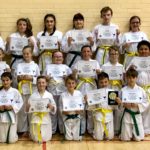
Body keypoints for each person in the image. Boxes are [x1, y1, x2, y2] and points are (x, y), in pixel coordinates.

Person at [72, 45, 101, 134]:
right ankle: (81, 129)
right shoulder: (77, 63)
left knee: (91, 109)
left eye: (88, 51)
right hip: (81, 85)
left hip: (92, 85)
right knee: (81, 108)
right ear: (81, 53)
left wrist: (98, 72)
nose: (86, 53)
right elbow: (74, 78)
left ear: (91, 53)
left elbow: (99, 77)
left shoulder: (95, 62)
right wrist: (74, 73)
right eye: (84, 51)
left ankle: (91, 129)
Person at [43, 51, 72, 134]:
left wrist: (67, 78)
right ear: (52, 58)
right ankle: (52, 130)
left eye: (60, 56)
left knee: (62, 110)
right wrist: (46, 79)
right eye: (56, 56)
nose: (58, 58)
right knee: (52, 111)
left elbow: (72, 80)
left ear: (63, 58)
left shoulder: (66, 67)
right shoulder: (48, 67)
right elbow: (43, 80)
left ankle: (63, 130)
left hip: (63, 92)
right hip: (51, 92)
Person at [116, 68, 149, 141]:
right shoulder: (123, 90)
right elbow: (119, 105)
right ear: (126, 78)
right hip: (127, 115)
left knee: (138, 139)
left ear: (136, 78)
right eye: (129, 77)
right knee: (125, 139)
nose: (131, 79)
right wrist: (122, 104)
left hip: (137, 115)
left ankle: (135, 134)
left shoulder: (141, 90)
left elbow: (146, 102)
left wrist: (137, 105)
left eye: (133, 77)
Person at [6, 18, 38, 87]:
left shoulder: (30, 37)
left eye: (24, 25)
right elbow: (7, 53)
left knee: (26, 79)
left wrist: (32, 45)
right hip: (15, 60)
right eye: (20, 24)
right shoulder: (12, 36)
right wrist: (8, 43)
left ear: (27, 26)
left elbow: (36, 53)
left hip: (26, 61)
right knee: (15, 80)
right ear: (17, 26)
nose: (22, 26)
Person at [127, 40, 150, 135]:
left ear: (149, 50)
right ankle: (137, 129)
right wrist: (130, 68)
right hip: (137, 88)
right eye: (141, 49)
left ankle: (147, 128)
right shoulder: (134, 60)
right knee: (136, 108)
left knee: (148, 109)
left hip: (148, 88)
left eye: (146, 49)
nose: (143, 51)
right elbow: (127, 74)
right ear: (138, 50)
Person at [16, 46, 40, 135]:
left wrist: (31, 78)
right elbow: (16, 78)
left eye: (27, 53)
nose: (26, 55)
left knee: (31, 109)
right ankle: (22, 130)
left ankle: (32, 129)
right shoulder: (19, 65)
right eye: (24, 53)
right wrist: (19, 78)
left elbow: (38, 79)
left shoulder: (35, 65)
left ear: (31, 54)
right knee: (22, 110)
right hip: (22, 90)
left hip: (32, 90)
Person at [86, 72, 117, 140]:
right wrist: (88, 100)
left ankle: (105, 133)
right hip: (99, 115)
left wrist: (118, 102)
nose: (104, 84)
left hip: (109, 115)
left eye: (105, 82)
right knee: (98, 138)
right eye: (101, 82)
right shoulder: (95, 92)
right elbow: (91, 107)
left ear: (108, 82)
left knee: (110, 137)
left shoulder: (112, 92)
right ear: (98, 83)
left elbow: (115, 107)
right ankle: (96, 132)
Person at [102, 46, 125, 134]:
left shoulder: (121, 66)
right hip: (108, 88)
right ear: (109, 55)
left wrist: (123, 78)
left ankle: (116, 130)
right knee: (108, 109)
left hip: (118, 88)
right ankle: (107, 130)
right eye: (112, 54)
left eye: (116, 54)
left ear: (118, 55)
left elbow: (124, 81)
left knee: (118, 110)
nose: (114, 55)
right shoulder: (104, 66)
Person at [27, 76, 56, 142]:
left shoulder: (49, 95)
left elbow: (54, 107)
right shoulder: (32, 95)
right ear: (36, 84)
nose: (41, 84)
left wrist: (52, 107)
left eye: (43, 82)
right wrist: (27, 107)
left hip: (45, 117)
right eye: (39, 83)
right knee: (36, 139)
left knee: (46, 138)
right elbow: (27, 110)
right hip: (35, 118)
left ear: (46, 84)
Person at [59, 74, 84, 140]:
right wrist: (64, 112)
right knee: (68, 138)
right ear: (66, 84)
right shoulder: (63, 95)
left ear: (76, 84)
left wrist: (80, 110)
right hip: (67, 118)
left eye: (73, 83)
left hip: (76, 117)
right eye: (69, 83)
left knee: (77, 138)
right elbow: (60, 107)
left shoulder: (79, 93)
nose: (71, 85)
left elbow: (82, 105)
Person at [0, 72, 23, 143]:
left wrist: (12, 107)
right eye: (3, 80)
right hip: (1, 116)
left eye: (7, 80)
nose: (5, 82)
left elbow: (20, 102)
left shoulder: (15, 91)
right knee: (2, 140)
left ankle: (13, 136)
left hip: (11, 116)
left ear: (11, 81)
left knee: (11, 140)